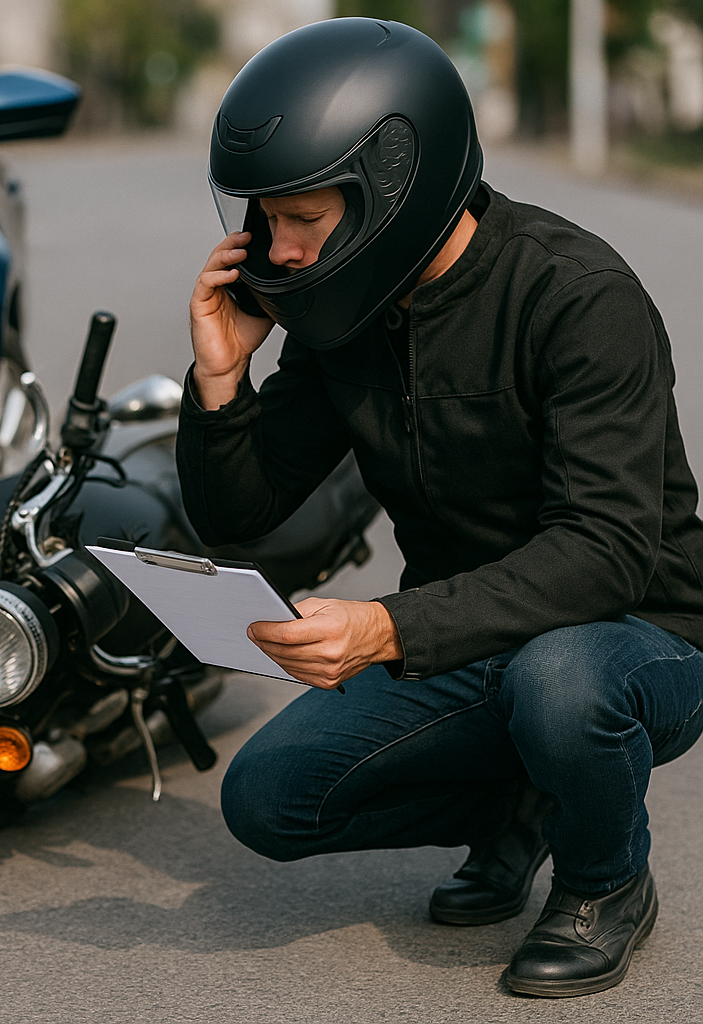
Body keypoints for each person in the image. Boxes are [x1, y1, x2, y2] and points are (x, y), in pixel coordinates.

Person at [175, 17, 703, 998]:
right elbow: (241, 511)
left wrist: (385, 627)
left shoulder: (578, 296)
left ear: (395, 188)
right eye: (265, 219)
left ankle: (604, 881)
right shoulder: (346, 310)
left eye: (302, 218)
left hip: (636, 633)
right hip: (466, 642)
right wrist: (219, 380)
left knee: (559, 684)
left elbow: (604, 554)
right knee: (269, 799)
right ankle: (519, 808)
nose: (276, 250)